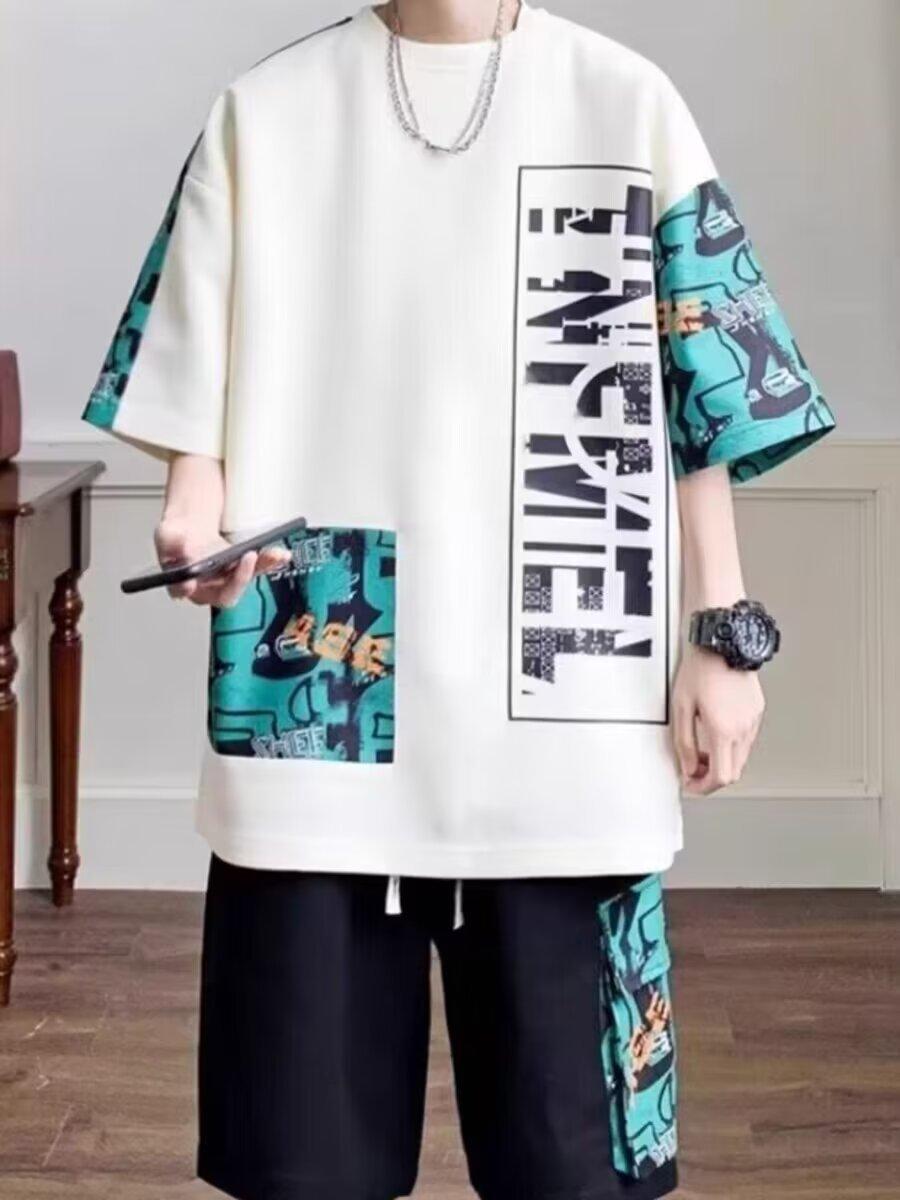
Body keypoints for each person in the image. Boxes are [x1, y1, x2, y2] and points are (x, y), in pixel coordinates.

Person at [81, 2, 837, 1197]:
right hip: (319, 688)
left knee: (575, 1171)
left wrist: (723, 633)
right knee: (304, 1167)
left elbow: (702, 379)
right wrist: (193, 517)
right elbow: (191, 405)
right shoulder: (262, 112)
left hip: (574, 697)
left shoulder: (625, 100)